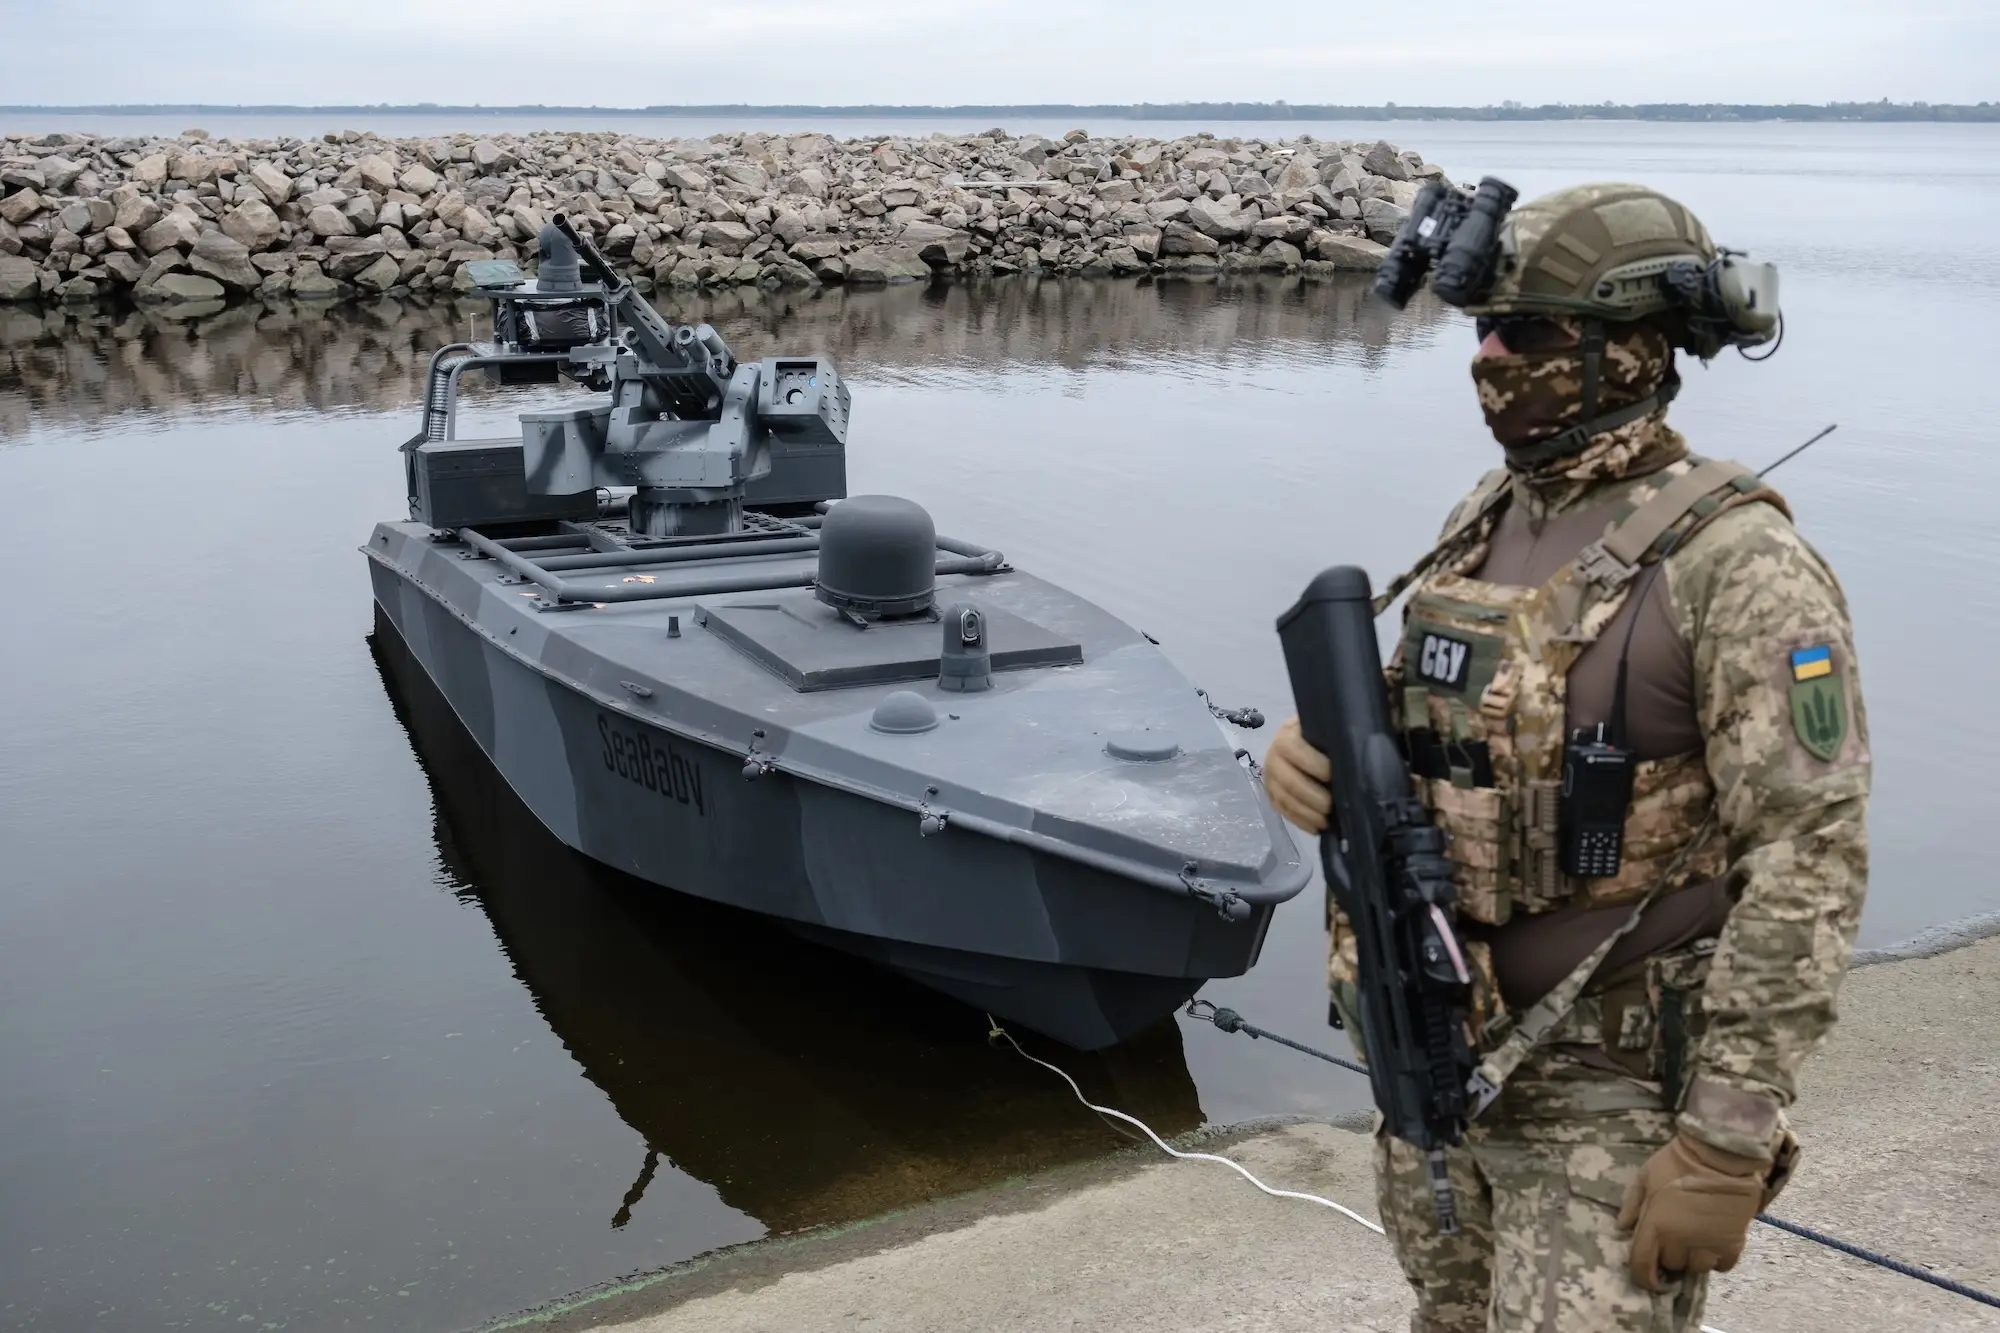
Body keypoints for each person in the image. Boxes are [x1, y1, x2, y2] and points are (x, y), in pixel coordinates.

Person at [1263, 183, 1871, 1332]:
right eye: (1481, 332)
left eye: (1529, 333)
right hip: (1443, 1058)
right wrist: (1305, 758)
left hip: (1614, 1095)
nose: (1491, 360)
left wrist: (1723, 1144)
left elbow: (1807, 859)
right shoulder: (1488, 514)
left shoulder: (1737, 565)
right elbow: (1438, 740)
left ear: (1631, 346)